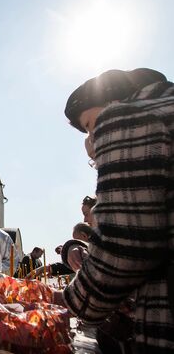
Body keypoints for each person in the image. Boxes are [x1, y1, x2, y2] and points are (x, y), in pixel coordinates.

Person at [63, 68, 174, 351]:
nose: (92, 138)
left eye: (90, 125)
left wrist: (70, 302)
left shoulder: (127, 116)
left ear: (112, 101)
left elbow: (124, 249)